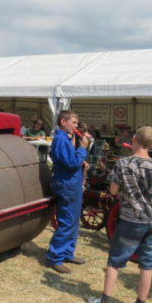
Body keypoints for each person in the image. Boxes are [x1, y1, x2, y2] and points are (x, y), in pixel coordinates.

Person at [88, 126, 152, 303]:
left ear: (134, 139)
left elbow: (113, 191)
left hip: (130, 219)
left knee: (115, 262)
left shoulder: (123, 164)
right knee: (147, 265)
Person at [44, 110, 90, 274]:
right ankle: (54, 257)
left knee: (73, 220)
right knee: (67, 220)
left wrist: (81, 160)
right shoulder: (61, 139)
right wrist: (83, 149)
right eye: (74, 122)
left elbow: (70, 160)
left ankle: (67, 253)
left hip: (71, 183)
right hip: (66, 184)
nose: (76, 126)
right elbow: (71, 163)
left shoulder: (65, 139)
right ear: (63, 122)